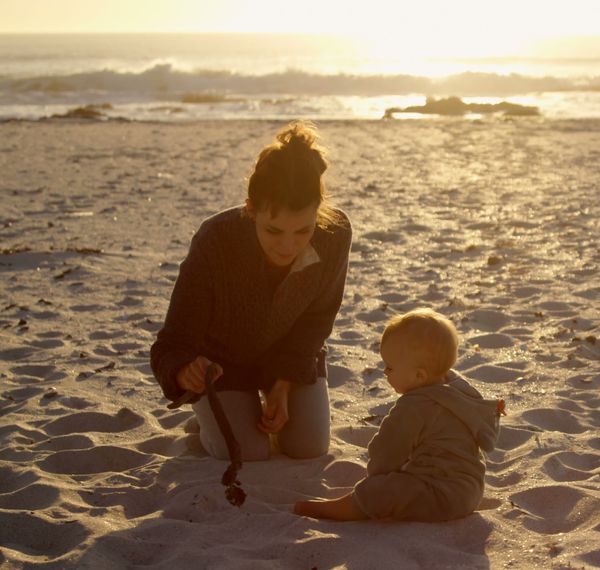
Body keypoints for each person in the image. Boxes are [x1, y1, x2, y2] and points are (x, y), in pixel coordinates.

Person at [150, 120, 351, 461]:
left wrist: (284, 384)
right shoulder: (216, 240)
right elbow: (173, 341)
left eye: (303, 231)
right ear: (251, 209)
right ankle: (212, 418)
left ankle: (246, 407)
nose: (288, 246)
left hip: (291, 354)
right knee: (247, 451)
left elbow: (317, 320)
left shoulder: (335, 234)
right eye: (273, 230)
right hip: (224, 364)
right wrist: (187, 371)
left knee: (308, 447)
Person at [294, 308, 502, 521]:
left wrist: (378, 474)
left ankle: (341, 509)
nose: (385, 373)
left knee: (383, 491)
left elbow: (387, 452)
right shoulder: (458, 390)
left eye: (390, 368)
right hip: (471, 490)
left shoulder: (414, 406)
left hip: (440, 494)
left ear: (419, 375)